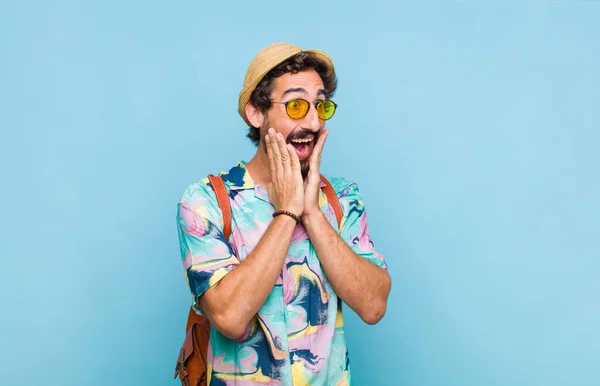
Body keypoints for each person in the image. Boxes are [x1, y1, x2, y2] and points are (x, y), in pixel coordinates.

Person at [176, 42, 391, 385]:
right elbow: (230, 318)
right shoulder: (206, 202)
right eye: (295, 105)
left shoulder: (341, 199)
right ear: (256, 113)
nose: (312, 121)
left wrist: (313, 215)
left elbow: (374, 306)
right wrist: (287, 213)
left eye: (320, 106)